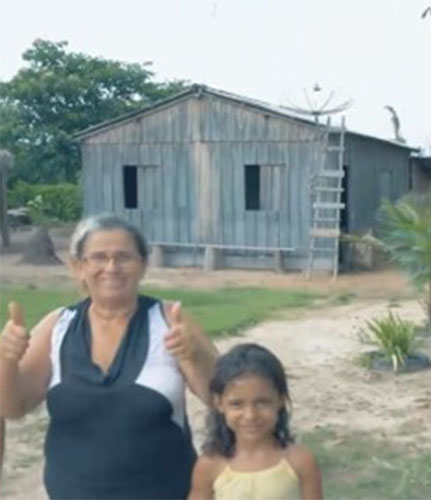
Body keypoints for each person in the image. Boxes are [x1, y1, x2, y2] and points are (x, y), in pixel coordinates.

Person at [0, 213, 219, 499]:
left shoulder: (170, 321)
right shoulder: (58, 326)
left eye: (123, 257)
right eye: (98, 257)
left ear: (143, 265)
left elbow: (223, 400)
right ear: (79, 267)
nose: (111, 267)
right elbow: (12, 408)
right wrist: (7, 359)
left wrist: (194, 357)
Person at [188, 343, 323, 500]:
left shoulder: (300, 461)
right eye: (237, 404)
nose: (250, 415)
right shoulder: (209, 467)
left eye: (262, 402)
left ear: (280, 400)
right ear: (219, 403)